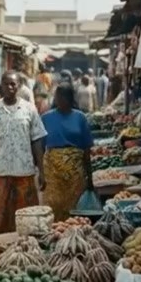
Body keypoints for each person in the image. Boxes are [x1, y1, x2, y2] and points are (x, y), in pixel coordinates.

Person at [0, 70, 46, 235]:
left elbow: (36, 141)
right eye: (6, 83)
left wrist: (42, 172)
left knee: (27, 221)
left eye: (13, 84)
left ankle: (25, 254)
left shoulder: (29, 110)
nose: (10, 87)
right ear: (1, 86)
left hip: (24, 172)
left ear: (19, 86)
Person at [41, 84, 94, 221]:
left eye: (65, 96)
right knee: (54, 206)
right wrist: (41, 173)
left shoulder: (80, 118)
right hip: (53, 172)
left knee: (75, 208)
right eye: (59, 96)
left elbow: (86, 150)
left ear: (71, 98)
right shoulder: (45, 118)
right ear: (56, 98)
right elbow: (40, 148)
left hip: (75, 172)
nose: (62, 100)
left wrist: (90, 178)